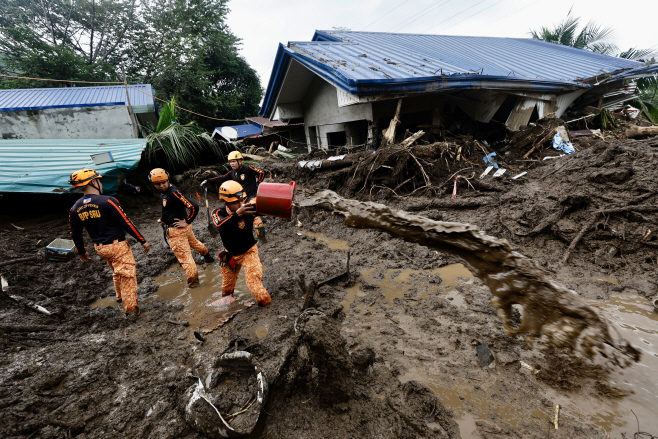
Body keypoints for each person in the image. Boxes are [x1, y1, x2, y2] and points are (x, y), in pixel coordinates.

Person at [68, 169, 150, 314]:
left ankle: (119, 296)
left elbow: (75, 233)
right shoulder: (108, 201)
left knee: (116, 270)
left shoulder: (75, 208)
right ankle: (131, 309)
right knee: (127, 276)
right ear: (93, 182)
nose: (100, 183)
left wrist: (81, 252)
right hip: (117, 245)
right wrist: (141, 240)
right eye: (98, 181)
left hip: (100, 249)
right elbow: (126, 223)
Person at [149, 168, 214, 288]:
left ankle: (194, 286)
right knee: (195, 243)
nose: (162, 185)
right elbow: (170, 208)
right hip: (184, 228)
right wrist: (164, 219)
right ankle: (208, 257)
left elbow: (193, 206)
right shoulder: (167, 192)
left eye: (164, 182)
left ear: (168, 179)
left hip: (177, 231)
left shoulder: (173, 192)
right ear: (153, 184)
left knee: (186, 260)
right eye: (158, 184)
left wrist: (187, 220)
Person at [211, 181, 271, 307]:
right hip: (230, 255)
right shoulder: (218, 212)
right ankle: (228, 308)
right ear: (226, 202)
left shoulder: (249, 208)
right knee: (227, 289)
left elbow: (270, 207)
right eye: (236, 202)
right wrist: (237, 215)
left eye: (242, 200)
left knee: (256, 288)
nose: (241, 204)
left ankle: (267, 308)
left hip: (249, 252)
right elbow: (219, 226)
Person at [201, 151, 266, 238]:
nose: (232, 164)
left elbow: (262, 172)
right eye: (230, 162)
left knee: (254, 215)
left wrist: (258, 183)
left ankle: (262, 238)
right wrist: (207, 181)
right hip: (240, 199)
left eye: (234, 161)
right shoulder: (232, 173)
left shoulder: (248, 169)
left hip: (252, 197)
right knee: (235, 215)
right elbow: (222, 178)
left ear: (240, 161)